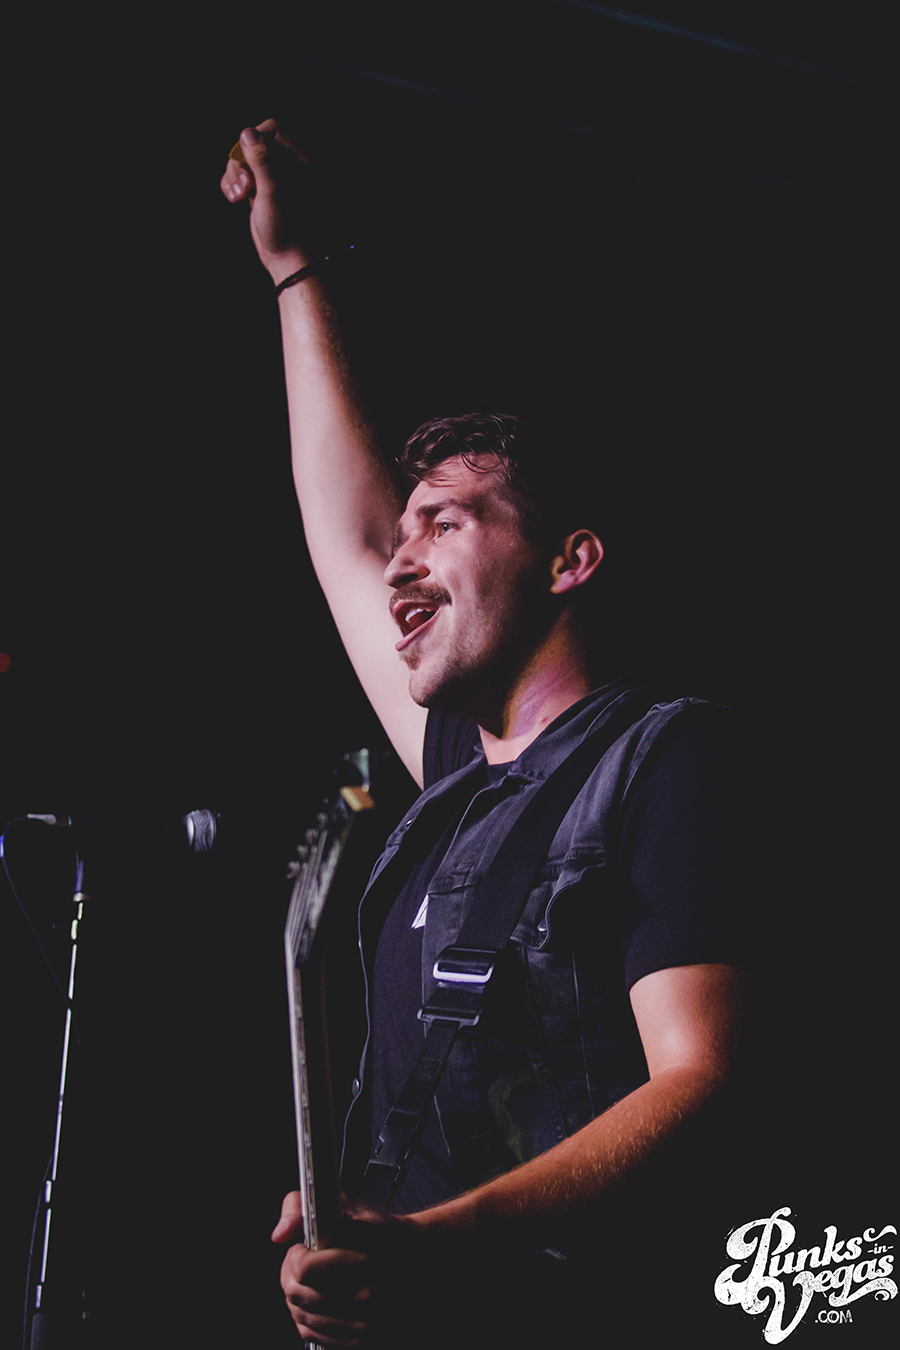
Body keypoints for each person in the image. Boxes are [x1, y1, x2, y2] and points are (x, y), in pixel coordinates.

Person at [221, 122, 753, 1347]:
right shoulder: (460, 780)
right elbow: (349, 537)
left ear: (571, 561)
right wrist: (294, 272)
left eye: (446, 525)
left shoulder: (667, 761)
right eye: (404, 532)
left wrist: (438, 1239)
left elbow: (706, 1080)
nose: (399, 562)